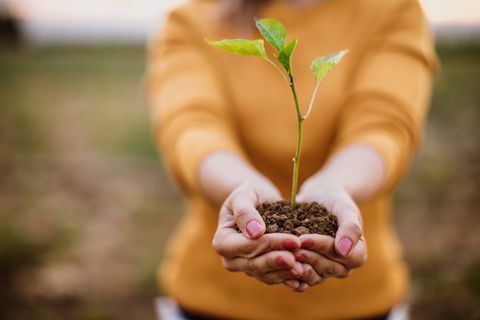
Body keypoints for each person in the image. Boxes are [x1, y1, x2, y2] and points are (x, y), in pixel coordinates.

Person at [147, 0, 437, 318]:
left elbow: (384, 125)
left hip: (357, 303)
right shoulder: (193, 20)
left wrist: (336, 185)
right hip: (212, 300)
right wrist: (242, 190)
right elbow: (192, 126)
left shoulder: (392, 9)